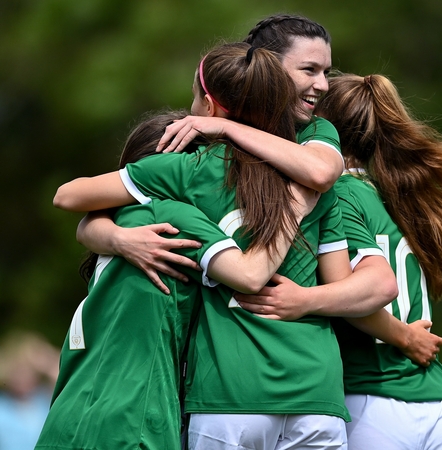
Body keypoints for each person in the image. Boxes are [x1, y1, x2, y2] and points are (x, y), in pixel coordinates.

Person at [52, 42, 399, 450]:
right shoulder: (318, 181)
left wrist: (112, 234)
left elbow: (68, 197)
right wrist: (306, 299)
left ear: (211, 106)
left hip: (229, 393)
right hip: (317, 393)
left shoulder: (189, 172)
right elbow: (344, 284)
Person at [238, 73, 442, 449]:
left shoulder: (339, 193)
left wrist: (405, 338)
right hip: (441, 405)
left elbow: (360, 294)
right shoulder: (402, 193)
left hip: (373, 399)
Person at [35, 106, 318, 450]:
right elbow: (250, 274)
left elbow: (81, 217)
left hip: (66, 422)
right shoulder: (173, 215)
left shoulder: (119, 222)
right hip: (133, 423)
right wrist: (293, 209)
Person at [76, 14, 345, 293]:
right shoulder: (194, 144)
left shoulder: (314, 131)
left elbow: (320, 173)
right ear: (269, 68)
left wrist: (226, 127)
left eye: (326, 71)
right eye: (309, 70)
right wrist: (118, 238)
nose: (324, 84)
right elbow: (91, 211)